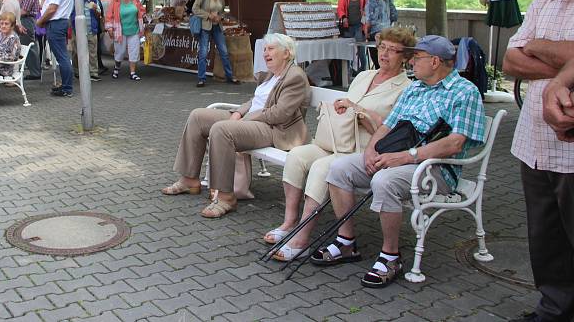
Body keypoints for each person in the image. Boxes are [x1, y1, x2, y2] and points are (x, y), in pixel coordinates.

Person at [315, 35, 485, 288]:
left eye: (417, 58)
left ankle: (391, 256)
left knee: (384, 180)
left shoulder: (464, 92)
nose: (412, 62)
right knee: (339, 168)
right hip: (398, 158)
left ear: (436, 61)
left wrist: (407, 157)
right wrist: (371, 150)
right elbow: (388, 125)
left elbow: (454, 143)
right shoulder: (415, 88)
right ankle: (346, 241)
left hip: (435, 168)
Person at [268, 28, 414, 261]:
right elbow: (348, 106)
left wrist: (361, 112)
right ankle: (289, 222)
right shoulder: (364, 75)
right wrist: (341, 107)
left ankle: (302, 238)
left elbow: (393, 133)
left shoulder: (405, 88)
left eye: (393, 50)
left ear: (405, 57)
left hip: (361, 150)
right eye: (382, 47)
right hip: (335, 139)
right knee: (297, 155)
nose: (385, 54)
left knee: (321, 167)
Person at [503, 0, 574, 322]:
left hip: (570, 147)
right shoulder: (542, 0)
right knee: (545, 239)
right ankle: (552, 308)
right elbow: (511, 60)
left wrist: (539, 47)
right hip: (533, 142)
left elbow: (527, 52)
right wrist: (563, 55)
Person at [162, 33, 310, 218]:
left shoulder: (295, 76)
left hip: (275, 129)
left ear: (287, 53)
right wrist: (239, 113)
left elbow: (279, 114)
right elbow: (254, 100)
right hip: (252, 120)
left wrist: (245, 120)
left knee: (222, 130)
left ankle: (225, 197)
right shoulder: (272, 75)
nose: (265, 53)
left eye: (270, 49)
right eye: (264, 49)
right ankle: (189, 180)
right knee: (197, 116)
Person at [191, 0, 240, 87]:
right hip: (205, 26)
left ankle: (230, 76)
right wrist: (208, 15)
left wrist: (220, 17)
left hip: (217, 26)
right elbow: (195, 8)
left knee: (224, 52)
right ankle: (201, 79)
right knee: (203, 53)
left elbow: (222, 11)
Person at [36, 0, 75, 97]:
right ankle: (66, 86)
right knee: (62, 55)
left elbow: (52, 8)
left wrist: (40, 21)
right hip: (60, 22)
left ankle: (67, 88)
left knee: (62, 57)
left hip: (56, 23)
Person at [105, 0, 145, 81]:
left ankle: (132, 73)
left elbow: (141, 11)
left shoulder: (135, 0)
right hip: (120, 32)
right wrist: (109, 28)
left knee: (134, 52)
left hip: (134, 31)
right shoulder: (115, 1)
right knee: (120, 52)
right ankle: (117, 67)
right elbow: (109, 16)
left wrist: (143, 16)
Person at [70, 0, 102, 82]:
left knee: (93, 52)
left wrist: (96, 8)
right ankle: (77, 71)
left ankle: (93, 72)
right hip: (78, 31)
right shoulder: (74, 0)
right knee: (76, 52)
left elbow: (99, 15)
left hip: (91, 30)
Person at [337, 0, 367, 71]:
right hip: (348, 26)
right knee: (347, 49)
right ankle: (348, 69)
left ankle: (362, 69)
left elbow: (367, 9)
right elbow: (340, 8)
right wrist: (343, 17)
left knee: (361, 49)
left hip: (360, 26)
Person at [361, 0, 391, 69]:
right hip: (387, 30)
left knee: (377, 60)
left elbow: (370, 18)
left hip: (375, 32)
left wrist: (366, 31)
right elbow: (393, 13)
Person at [18, 0, 42, 80]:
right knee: (28, 45)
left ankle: (35, 72)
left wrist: (14, 15)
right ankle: (33, 69)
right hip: (26, 19)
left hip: (27, 20)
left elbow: (24, 10)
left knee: (30, 46)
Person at [86, 0, 108, 75]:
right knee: (94, 47)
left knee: (96, 45)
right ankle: (96, 67)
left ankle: (98, 65)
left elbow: (99, 9)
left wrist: (101, 15)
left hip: (96, 23)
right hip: (92, 24)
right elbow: (93, 9)